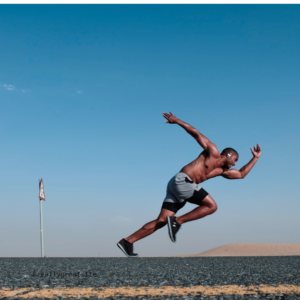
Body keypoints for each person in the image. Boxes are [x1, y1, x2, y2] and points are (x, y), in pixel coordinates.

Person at [117, 111, 261, 257]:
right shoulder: (212, 150)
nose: (235, 164)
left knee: (161, 221)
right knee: (212, 206)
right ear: (229, 155)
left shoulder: (222, 171)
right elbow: (196, 133)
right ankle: (177, 222)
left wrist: (255, 159)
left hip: (178, 187)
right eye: (235, 160)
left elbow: (241, 174)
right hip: (182, 181)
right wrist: (177, 121)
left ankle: (127, 241)